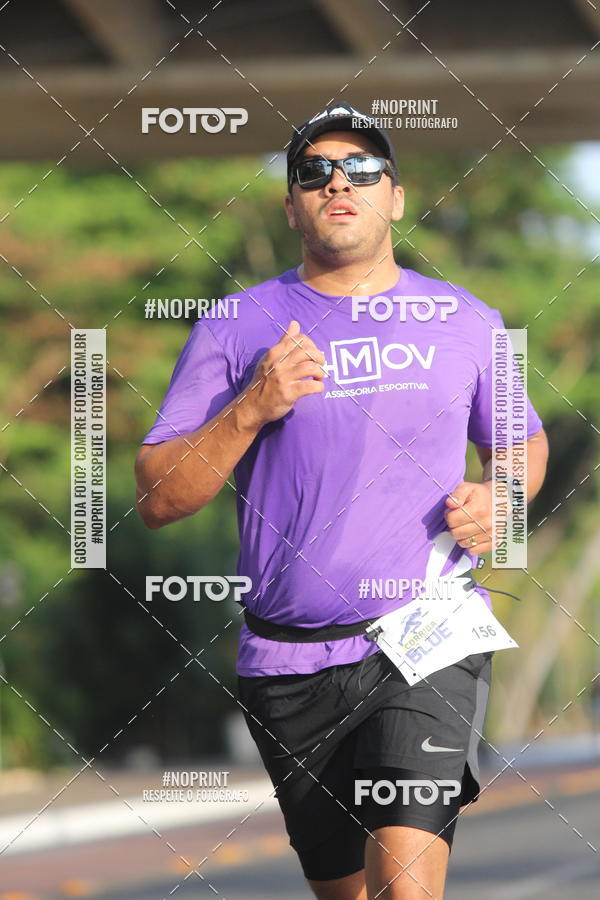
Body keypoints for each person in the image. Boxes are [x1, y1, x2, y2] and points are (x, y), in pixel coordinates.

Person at [135, 102, 549, 899]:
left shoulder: (465, 321)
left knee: (406, 886)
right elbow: (158, 498)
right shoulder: (236, 325)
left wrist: (503, 497)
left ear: (396, 196)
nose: (338, 182)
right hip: (284, 661)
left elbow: (521, 444)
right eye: (314, 172)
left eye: (362, 168)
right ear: (291, 206)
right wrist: (252, 406)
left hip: (425, 635)